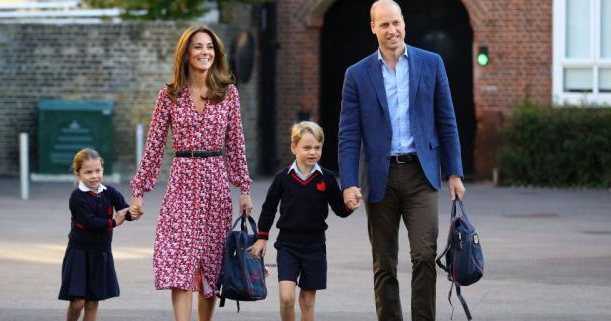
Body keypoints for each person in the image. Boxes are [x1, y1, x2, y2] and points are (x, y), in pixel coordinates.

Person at [338, 1, 466, 320]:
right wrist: (349, 182)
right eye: (384, 25)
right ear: (373, 28)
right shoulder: (357, 75)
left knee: (424, 254)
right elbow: (349, 135)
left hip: (421, 175)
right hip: (379, 177)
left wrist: (454, 173)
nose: (392, 30)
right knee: (384, 262)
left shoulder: (431, 63)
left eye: (396, 23)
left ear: (404, 24)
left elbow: (446, 120)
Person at [129, 25, 253, 321]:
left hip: (215, 183)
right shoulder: (169, 95)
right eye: (198, 47)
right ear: (185, 53)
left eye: (209, 47)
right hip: (182, 182)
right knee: (179, 262)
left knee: (211, 263)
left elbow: (236, 144)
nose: (205, 52)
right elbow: (154, 146)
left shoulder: (228, 93)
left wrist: (244, 189)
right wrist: (138, 191)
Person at [251, 121, 358, 321]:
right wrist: (261, 237)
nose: (312, 152)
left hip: (315, 246)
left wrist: (349, 206)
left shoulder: (326, 178)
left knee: (308, 301)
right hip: (287, 246)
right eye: (307, 147)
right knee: (286, 298)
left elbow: (339, 209)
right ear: (294, 148)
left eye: (317, 148)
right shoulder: (283, 177)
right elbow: (269, 208)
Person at [58, 148, 133, 321]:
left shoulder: (110, 192)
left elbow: (124, 210)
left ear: (103, 170)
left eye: (98, 171)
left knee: (92, 303)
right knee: (78, 302)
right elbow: (89, 222)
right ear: (78, 174)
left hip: (101, 253)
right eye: (88, 172)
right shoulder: (77, 197)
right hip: (79, 253)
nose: (94, 176)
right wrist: (114, 222)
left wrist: (133, 211)